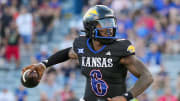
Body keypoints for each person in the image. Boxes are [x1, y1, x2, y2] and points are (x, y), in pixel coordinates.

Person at [22, 5, 153, 101]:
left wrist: (126, 97)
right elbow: (68, 53)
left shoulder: (119, 48)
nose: (110, 28)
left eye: (111, 23)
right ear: (90, 27)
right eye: (104, 24)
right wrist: (44, 64)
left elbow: (147, 76)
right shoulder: (83, 46)